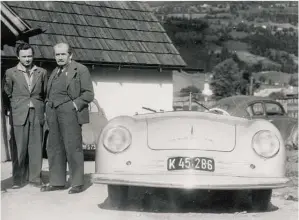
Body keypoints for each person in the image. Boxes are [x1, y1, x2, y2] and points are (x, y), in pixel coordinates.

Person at [41, 43, 94, 194]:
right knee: (54, 148)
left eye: (63, 54)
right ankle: (57, 182)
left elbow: (89, 93)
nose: (60, 57)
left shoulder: (80, 70)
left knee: (73, 147)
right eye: (57, 55)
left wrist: (74, 105)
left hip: (70, 112)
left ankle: (77, 183)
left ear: (70, 55)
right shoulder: (55, 72)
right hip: (53, 113)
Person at [3, 42, 48, 188]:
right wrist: (16, 105)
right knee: (19, 147)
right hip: (19, 113)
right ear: (18, 56)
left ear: (33, 56)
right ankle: (18, 179)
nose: (27, 59)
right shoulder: (11, 73)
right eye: (24, 56)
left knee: (35, 147)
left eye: (29, 56)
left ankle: (35, 178)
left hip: (37, 111)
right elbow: (7, 93)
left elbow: (45, 92)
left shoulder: (41, 72)